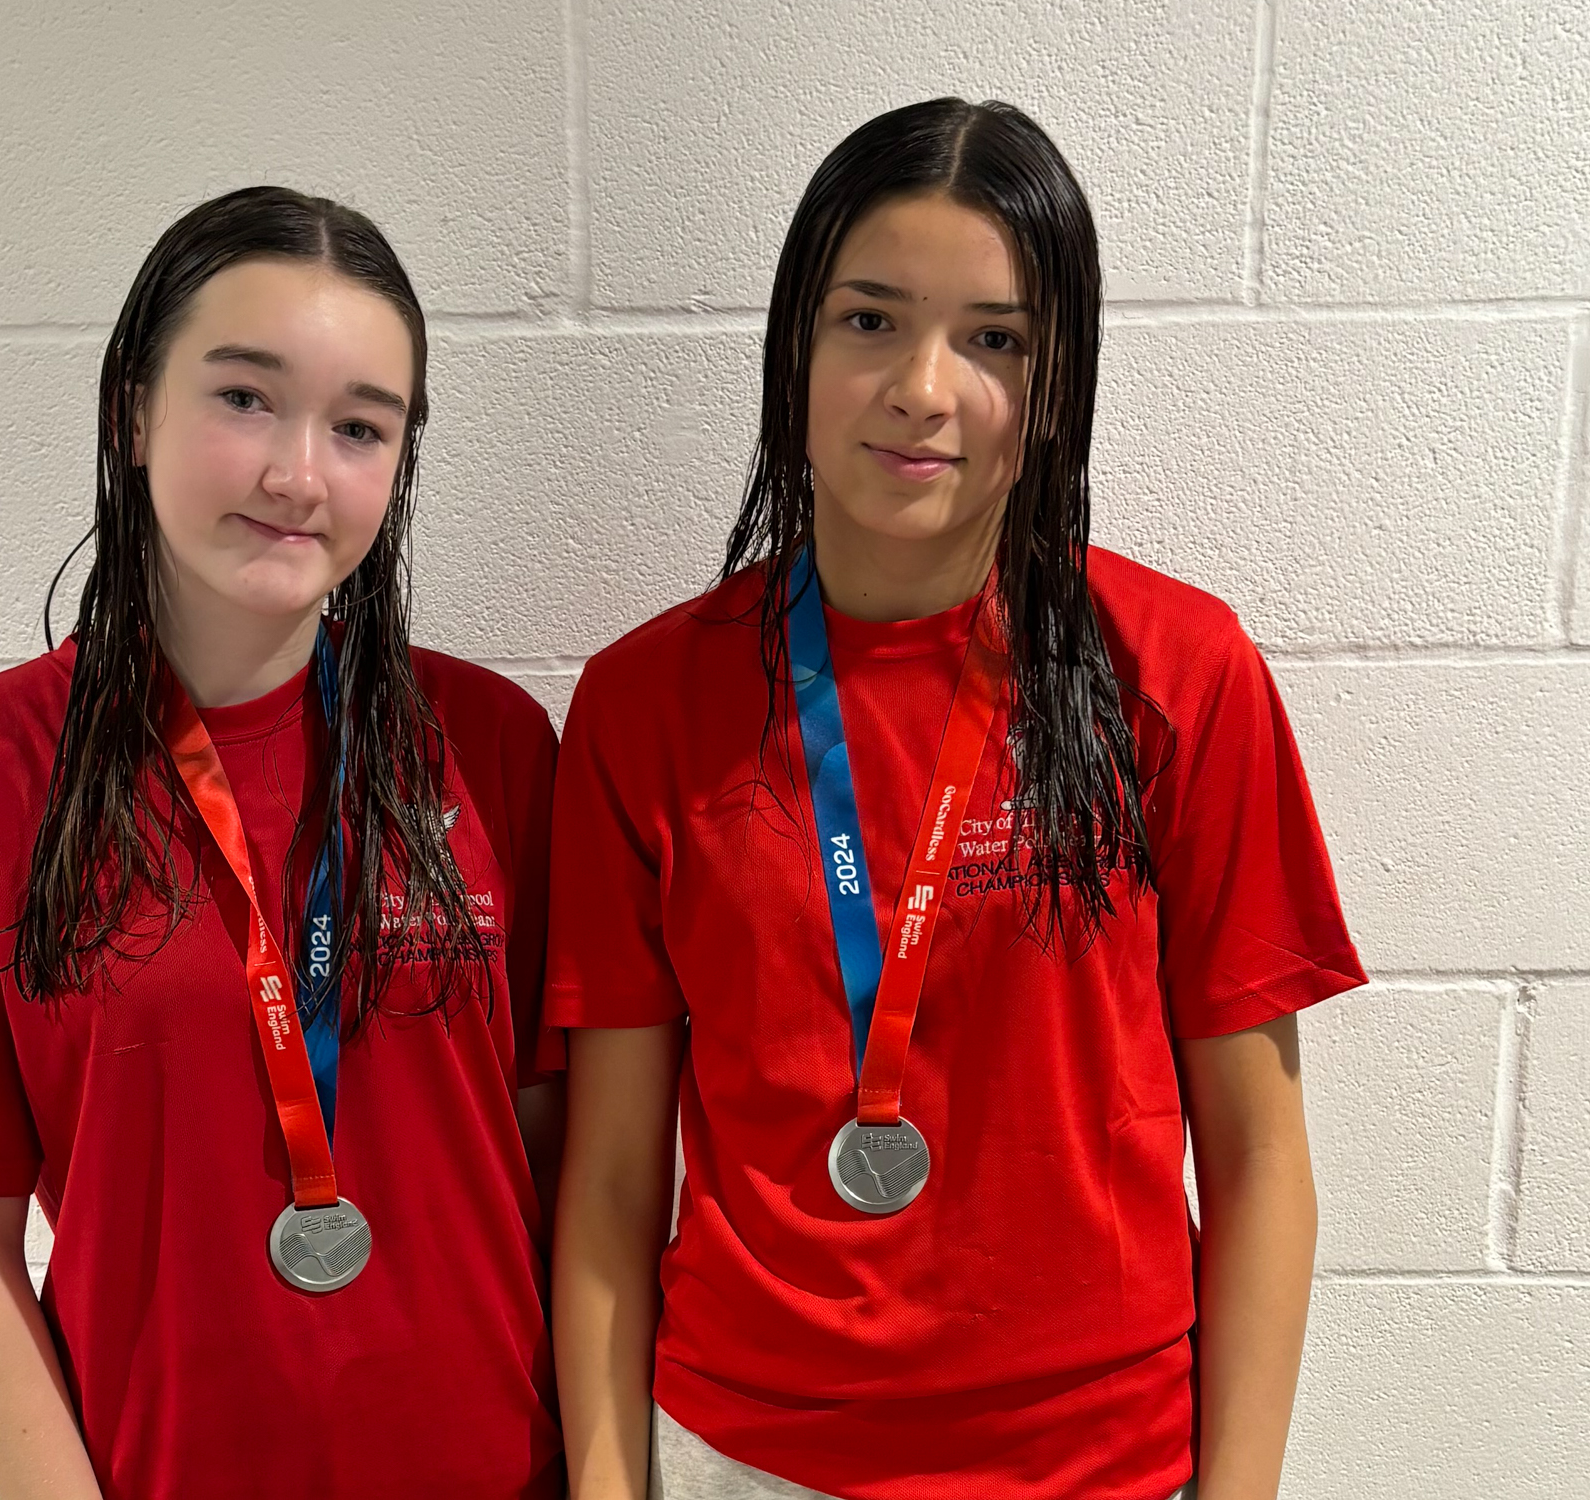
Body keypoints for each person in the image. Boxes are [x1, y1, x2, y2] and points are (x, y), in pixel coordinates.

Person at [547, 99, 1366, 1500]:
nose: (925, 387)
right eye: (870, 320)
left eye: (996, 339)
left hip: (1100, 1465)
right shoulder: (642, 708)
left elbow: (1260, 1156)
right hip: (746, 1450)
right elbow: (614, 1185)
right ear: (794, 346)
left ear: (1055, 386)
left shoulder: (1175, 673)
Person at [0, 187, 565, 1500]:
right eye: (245, 398)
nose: (298, 472)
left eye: (360, 426)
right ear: (131, 410)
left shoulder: (490, 746)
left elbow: (556, 1154)